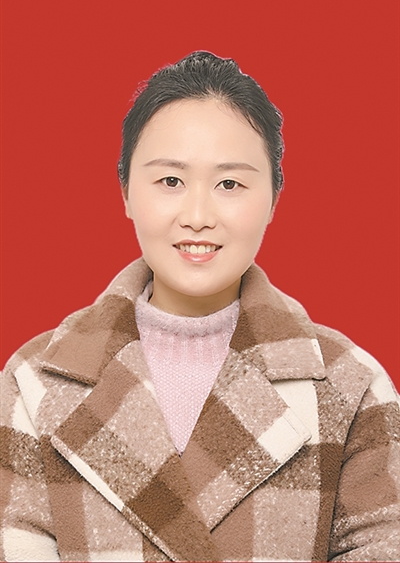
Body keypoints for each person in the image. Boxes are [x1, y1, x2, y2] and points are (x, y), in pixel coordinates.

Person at [1, 51, 399, 563]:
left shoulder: (350, 386)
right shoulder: (36, 382)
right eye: (170, 181)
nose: (197, 215)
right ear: (125, 192)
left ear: (274, 198)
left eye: (229, 184)